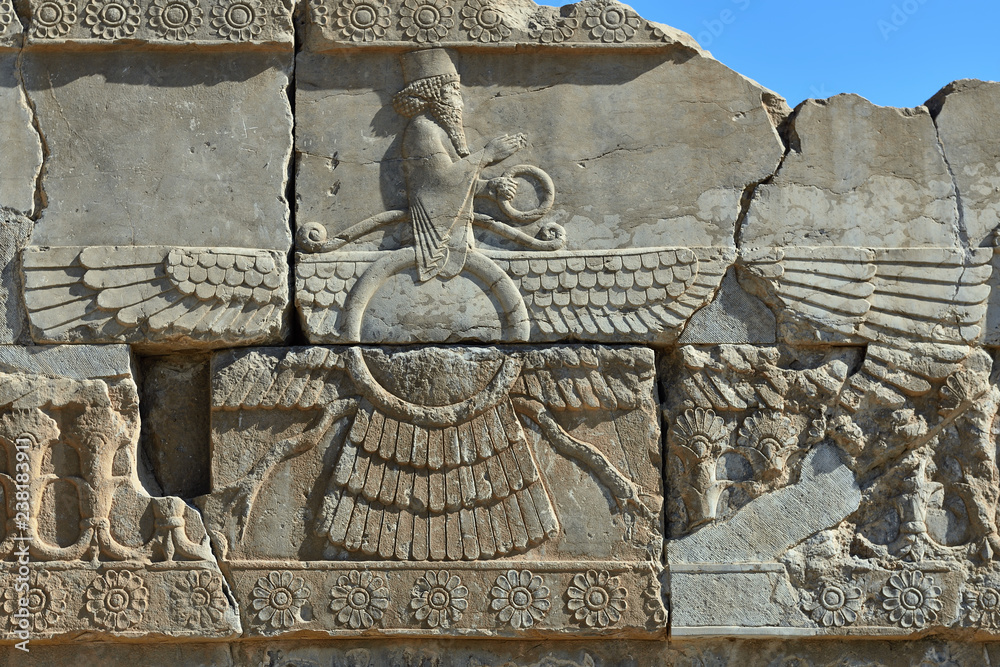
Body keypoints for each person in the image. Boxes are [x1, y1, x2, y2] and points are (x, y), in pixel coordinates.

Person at [393, 48, 527, 282]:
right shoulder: (422, 129)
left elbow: (455, 183)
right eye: (454, 90)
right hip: (431, 236)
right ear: (436, 93)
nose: (461, 102)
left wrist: (489, 188)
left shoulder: (441, 131)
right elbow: (440, 182)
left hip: (455, 234)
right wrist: (487, 155)